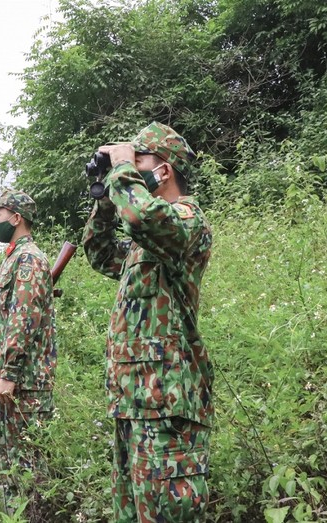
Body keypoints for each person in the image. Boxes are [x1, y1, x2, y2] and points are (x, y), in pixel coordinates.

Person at [83, 122, 214, 522]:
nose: (128, 166)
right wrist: (105, 197)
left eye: (138, 159)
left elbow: (143, 217)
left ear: (165, 171)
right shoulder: (144, 244)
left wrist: (121, 170)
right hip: (134, 402)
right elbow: (99, 251)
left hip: (168, 403)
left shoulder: (187, 222)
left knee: (167, 512)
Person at [0, 190, 57, 478]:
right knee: (9, 464)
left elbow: (25, 318)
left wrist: (10, 373)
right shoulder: (11, 260)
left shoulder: (29, 259)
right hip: (11, 381)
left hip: (25, 383)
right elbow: (4, 320)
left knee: (29, 467)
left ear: (16, 217)